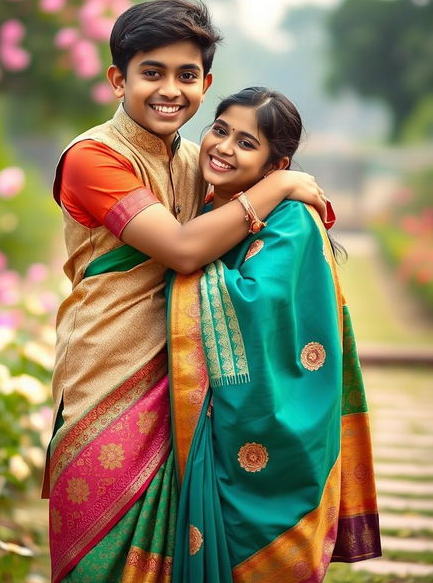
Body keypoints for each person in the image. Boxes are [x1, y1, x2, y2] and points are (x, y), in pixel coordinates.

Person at [42, 0, 335, 583]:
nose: (170, 89)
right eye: (152, 72)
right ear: (117, 78)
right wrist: (277, 187)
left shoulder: (197, 160)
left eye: (187, 75)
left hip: (186, 385)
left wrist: (286, 200)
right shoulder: (93, 158)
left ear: (205, 83)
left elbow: (267, 242)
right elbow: (181, 248)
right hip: (107, 376)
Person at [167, 87, 381, 582]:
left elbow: (250, 303)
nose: (223, 146)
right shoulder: (203, 207)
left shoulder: (292, 221)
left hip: (273, 425)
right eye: (220, 130)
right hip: (217, 425)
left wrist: (182, 256)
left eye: (247, 142)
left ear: (274, 164)